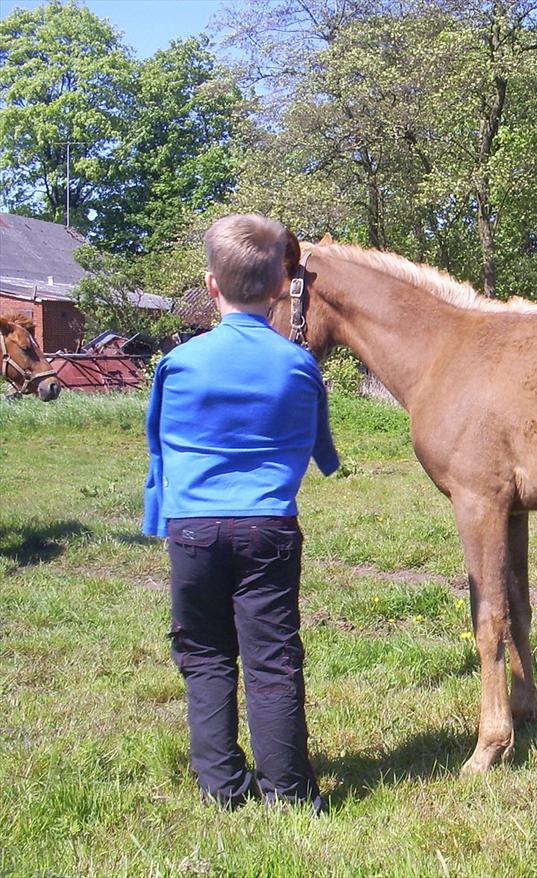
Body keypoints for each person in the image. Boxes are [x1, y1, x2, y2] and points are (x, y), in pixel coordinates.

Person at [143, 214, 339, 812]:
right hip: (269, 527)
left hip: (193, 529)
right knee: (273, 658)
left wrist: (161, 520)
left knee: (204, 652)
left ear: (210, 285)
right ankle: (289, 791)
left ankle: (224, 788)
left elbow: (160, 450)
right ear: (282, 286)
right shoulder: (298, 365)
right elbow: (320, 450)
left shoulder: (176, 365)